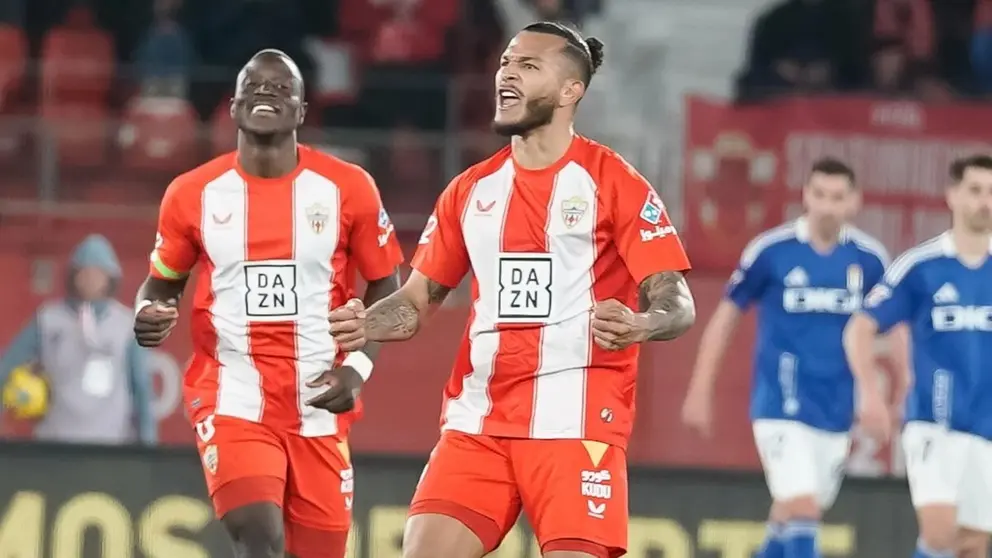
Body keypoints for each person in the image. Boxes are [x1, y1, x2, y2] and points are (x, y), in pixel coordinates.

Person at [329, 22, 695, 558]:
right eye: (505, 62)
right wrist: (365, 323)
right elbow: (415, 303)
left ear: (570, 91)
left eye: (528, 65)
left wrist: (643, 323)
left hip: (576, 423)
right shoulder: (470, 190)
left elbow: (676, 300)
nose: (507, 74)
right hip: (478, 422)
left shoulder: (613, 183)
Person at [131, 49, 404, 558]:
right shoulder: (192, 194)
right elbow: (160, 285)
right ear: (233, 106)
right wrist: (147, 312)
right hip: (231, 392)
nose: (266, 93)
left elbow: (387, 286)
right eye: (254, 86)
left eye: (282, 88)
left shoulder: (348, 188)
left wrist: (357, 369)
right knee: (258, 533)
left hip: (318, 402)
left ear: (302, 111)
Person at [681, 158, 907, 558]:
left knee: (791, 513)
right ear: (806, 196)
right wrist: (700, 388)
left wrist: (898, 391)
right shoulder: (772, 251)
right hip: (780, 403)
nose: (827, 206)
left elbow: (895, 324)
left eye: (837, 197)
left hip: (835, 408)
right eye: (819, 194)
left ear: (853, 202)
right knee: (803, 507)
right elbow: (726, 317)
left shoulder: (869, 259)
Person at [845, 155, 992, 558]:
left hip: (987, 427)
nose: (984, 202)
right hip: (934, 422)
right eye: (975, 190)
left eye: (991, 193)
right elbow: (860, 327)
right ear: (952, 195)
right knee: (940, 535)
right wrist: (870, 394)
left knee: (972, 546)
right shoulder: (921, 265)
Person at [0, 234, 156, 445]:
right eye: (84, 272)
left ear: (110, 278)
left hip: (112, 447)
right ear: (73, 275)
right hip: (55, 443)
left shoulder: (127, 325)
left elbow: (142, 388)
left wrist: (148, 446)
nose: (90, 279)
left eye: (98, 273)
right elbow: (7, 366)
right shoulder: (48, 319)